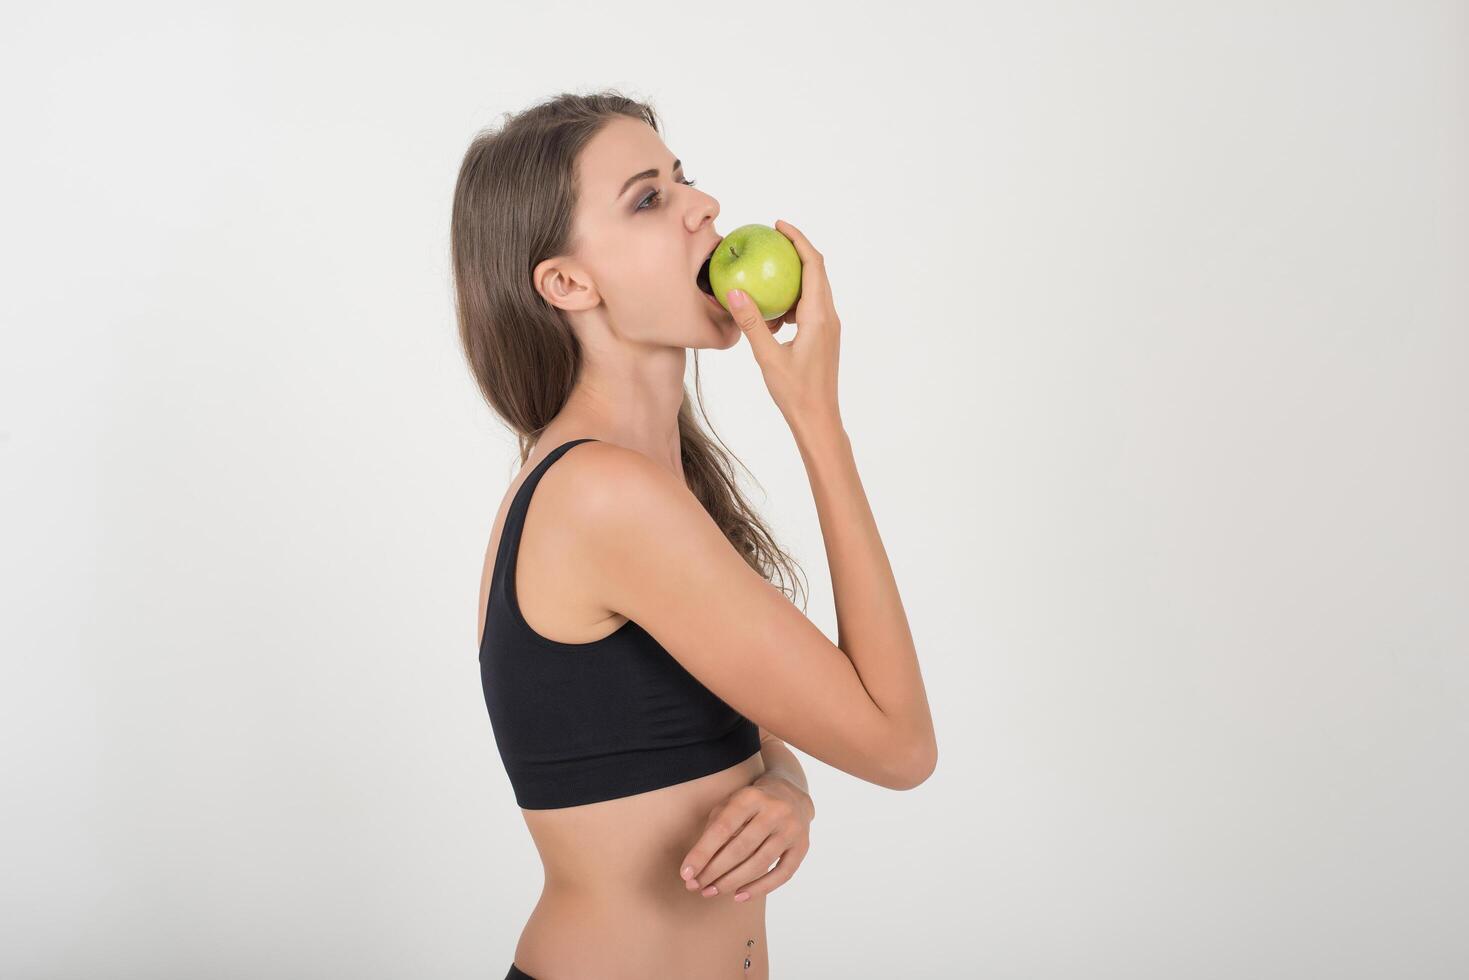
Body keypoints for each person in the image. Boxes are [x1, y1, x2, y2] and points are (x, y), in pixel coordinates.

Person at [451, 89, 937, 980]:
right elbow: (899, 747)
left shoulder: (645, 485)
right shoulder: (603, 496)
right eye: (648, 198)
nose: (704, 207)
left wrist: (785, 788)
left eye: (683, 181)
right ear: (567, 283)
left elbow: (740, 720)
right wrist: (818, 424)